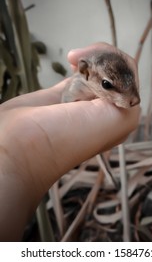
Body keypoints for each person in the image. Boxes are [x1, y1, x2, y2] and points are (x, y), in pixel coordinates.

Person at [0, 42, 140, 241]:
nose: (135, 100)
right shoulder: (76, 88)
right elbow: (66, 101)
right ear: (85, 73)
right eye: (107, 85)